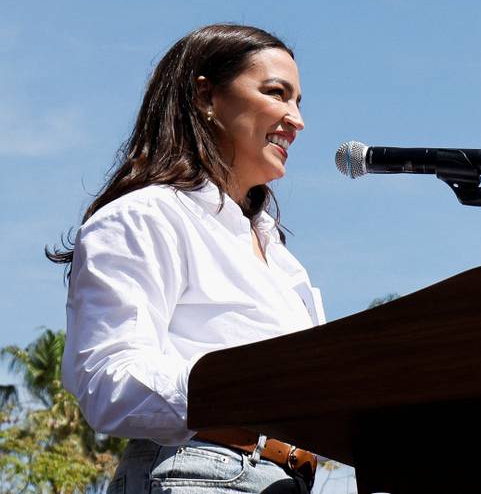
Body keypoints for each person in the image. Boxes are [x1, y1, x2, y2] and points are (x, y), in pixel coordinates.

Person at [48, 24, 325, 494]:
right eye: (277, 93)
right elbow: (106, 382)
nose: (296, 120)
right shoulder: (144, 217)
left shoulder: (280, 258)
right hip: (200, 473)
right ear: (205, 97)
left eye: (298, 102)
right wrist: (250, 386)